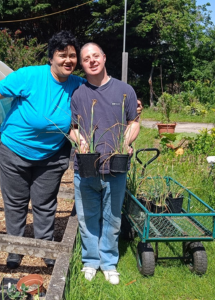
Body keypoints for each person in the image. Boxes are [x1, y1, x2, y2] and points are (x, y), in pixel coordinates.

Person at [0, 31, 142, 270]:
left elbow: (105, 91)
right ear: (51, 58)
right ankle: (15, 249)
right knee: (15, 202)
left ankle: (45, 247)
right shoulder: (29, 76)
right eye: (62, 55)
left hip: (52, 155)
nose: (68, 60)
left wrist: (134, 105)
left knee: (45, 203)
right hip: (14, 150)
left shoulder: (78, 84)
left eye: (72, 56)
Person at [70, 43, 140, 285]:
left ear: (104, 57)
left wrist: (126, 141)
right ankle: (90, 261)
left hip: (115, 167)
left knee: (112, 219)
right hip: (86, 168)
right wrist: (80, 142)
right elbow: (74, 128)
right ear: (82, 64)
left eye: (95, 56)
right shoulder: (78, 94)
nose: (92, 61)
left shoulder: (125, 90)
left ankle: (109, 262)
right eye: (86, 58)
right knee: (87, 217)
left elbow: (134, 122)